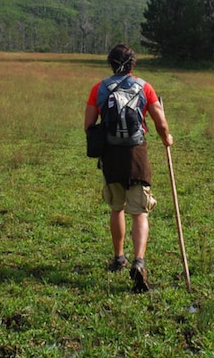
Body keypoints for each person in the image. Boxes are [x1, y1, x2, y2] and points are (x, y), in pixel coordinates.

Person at [84, 44, 173, 293]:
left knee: (117, 208)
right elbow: (161, 123)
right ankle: (139, 261)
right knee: (140, 212)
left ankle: (119, 257)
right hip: (137, 155)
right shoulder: (145, 87)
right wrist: (167, 139)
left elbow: (88, 125)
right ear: (133, 64)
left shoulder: (99, 88)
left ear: (110, 63)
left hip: (111, 156)